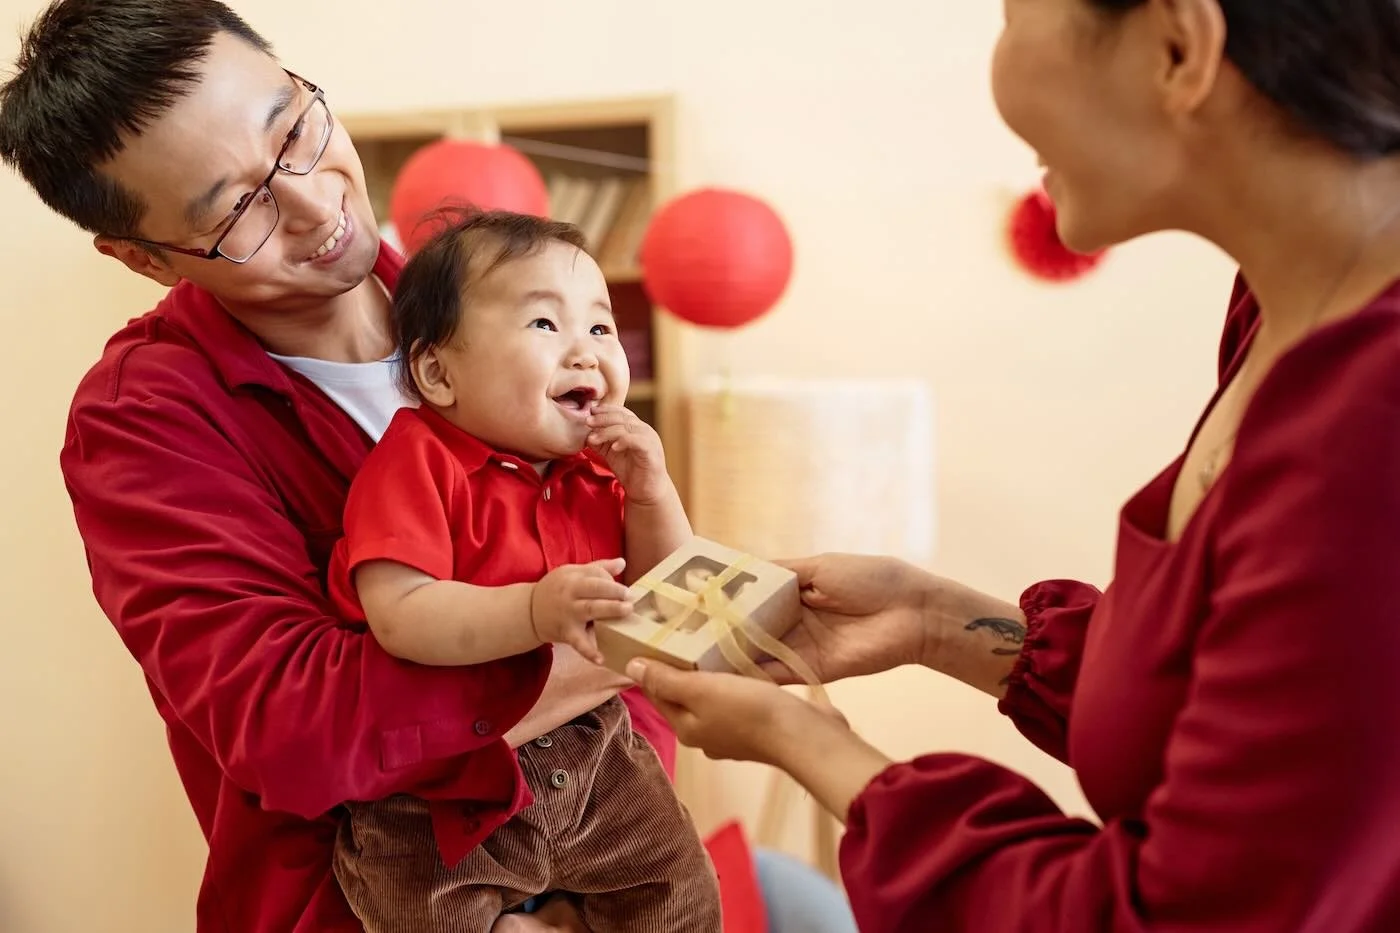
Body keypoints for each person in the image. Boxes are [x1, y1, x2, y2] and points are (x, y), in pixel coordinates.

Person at [626, 1, 1400, 930]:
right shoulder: (1277, 313)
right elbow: (1229, 707)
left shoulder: (1369, 431)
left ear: (1178, 47)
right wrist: (934, 619)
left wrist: (809, 744)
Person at [0, 2, 675, 930]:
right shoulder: (146, 420)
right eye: (237, 210)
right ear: (142, 259)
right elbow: (291, 724)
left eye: (294, 129)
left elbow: (631, 577)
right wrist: (604, 648)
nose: (316, 205)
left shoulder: (486, 300)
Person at [325, 209, 719, 931]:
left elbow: (669, 593)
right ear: (438, 372)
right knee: (418, 913)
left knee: (681, 889)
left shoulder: (596, 471)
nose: (586, 353)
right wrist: (534, 611)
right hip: (444, 789)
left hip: (599, 754)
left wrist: (653, 491)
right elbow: (401, 613)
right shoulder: (416, 462)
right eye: (544, 323)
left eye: (600, 327)